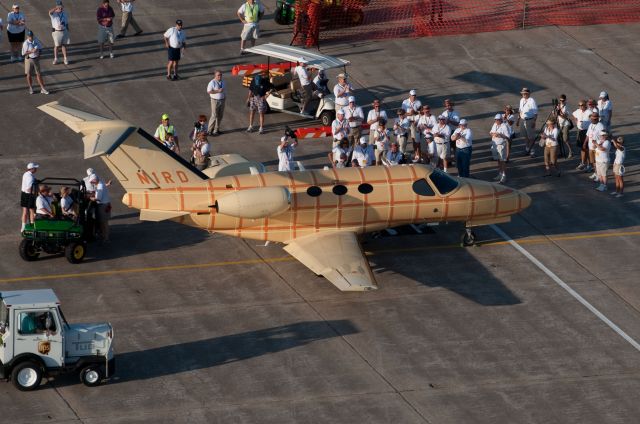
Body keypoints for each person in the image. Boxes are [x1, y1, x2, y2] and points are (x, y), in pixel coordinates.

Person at [22, 31, 50, 95]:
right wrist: (31, 51)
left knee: (38, 74)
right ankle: (31, 88)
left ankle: (42, 88)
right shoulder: (25, 43)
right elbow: (24, 53)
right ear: (27, 37)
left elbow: (40, 49)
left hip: (36, 59)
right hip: (29, 59)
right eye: (29, 36)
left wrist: (39, 55)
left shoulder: (36, 41)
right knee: (29, 74)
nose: (31, 37)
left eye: (31, 36)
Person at [517, 87, 538, 157]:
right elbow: (520, 110)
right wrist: (518, 120)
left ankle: (532, 152)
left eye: (525, 93)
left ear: (528, 94)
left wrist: (534, 122)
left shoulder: (532, 101)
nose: (524, 95)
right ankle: (527, 149)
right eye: (523, 94)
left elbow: (535, 113)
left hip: (530, 120)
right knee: (525, 136)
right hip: (523, 120)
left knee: (531, 137)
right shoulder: (521, 100)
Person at [90, 174, 111, 242]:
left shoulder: (100, 186)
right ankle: (104, 235)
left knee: (103, 223)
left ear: (95, 180)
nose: (91, 183)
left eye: (92, 182)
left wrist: (89, 198)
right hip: (106, 204)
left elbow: (98, 199)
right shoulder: (100, 182)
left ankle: (105, 237)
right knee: (104, 222)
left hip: (103, 206)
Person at [490, 114, 510, 184]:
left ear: (501, 120)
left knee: (502, 160)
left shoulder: (504, 126)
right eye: (495, 119)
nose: (496, 121)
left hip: (501, 145)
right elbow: (491, 132)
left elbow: (508, 137)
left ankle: (504, 176)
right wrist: (493, 134)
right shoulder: (494, 124)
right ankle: (500, 174)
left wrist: (500, 135)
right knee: (498, 160)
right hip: (495, 145)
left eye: (498, 120)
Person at [49, 1, 70, 65]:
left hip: (64, 31)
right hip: (56, 32)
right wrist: (56, 8)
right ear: (56, 6)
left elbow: (66, 23)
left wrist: (67, 30)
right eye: (58, 6)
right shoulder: (54, 14)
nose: (60, 8)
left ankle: (65, 58)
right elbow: (50, 12)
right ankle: (56, 59)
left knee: (64, 45)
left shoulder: (65, 13)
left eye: (61, 6)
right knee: (57, 46)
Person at [572, 100, 591, 171]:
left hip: (586, 131)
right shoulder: (578, 111)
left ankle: (589, 165)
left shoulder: (589, 112)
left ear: (585, 105)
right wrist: (576, 121)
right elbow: (573, 115)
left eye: (582, 105)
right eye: (579, 105)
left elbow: (593, 119)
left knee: (587, 148)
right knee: (582, 148)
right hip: (580, 131)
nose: (580, 106)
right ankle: (583, 163)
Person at [586, 111, 604, 181]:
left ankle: (599, 175)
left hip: (597, 148)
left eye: (594, 119)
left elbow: (603, 138)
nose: (592, 120)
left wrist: (597, 145)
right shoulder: (591, 125)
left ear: (597, 119)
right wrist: (585, 143)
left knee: (597, 162)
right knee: (593, 162)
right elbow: (588, 135)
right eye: (592, 119)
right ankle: (596, 173)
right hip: (590, 147)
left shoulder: (601, 126)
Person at [21, 162, 38, 231]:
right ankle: (32, 226)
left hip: (24, 194)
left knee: (25, 211)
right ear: (32, 169)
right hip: (29, 195)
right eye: (35, 168)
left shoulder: (26, 174)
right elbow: (28, 189)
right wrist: (37, 193)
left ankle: (23, 227)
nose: (36, 169)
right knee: (32, 211)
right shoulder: (30, 177)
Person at [207, 70, 225, 135]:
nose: (220, 76)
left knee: (220, 115)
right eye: (218, 75)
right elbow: (209, 91)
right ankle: (209, 130)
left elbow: (224, 90)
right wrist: (217, 91)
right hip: (215, 100)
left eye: (221, 75)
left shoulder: (223, 81)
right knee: (214, 115)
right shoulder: (212, 82)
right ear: (215, 75)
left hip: (222, 100)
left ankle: (216, 130)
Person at [555, 95, 573, 159]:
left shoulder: (567, 107)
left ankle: (571, 151)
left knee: (565, 139)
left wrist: (559, 113)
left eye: (563, 100)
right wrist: (555, 113)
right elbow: (555, 115)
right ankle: (560, 152)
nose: (561, 101)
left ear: (565, 100)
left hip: (565, 124)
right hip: (559, 124)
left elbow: (566, 117)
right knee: (558, 139)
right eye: (560, 100)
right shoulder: (558, 106)